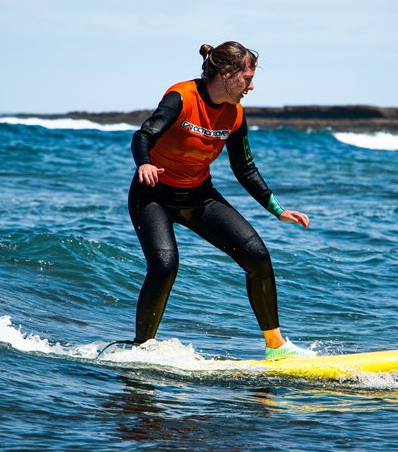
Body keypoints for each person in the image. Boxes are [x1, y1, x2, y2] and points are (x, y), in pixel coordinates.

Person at [128, 41, 315, 359]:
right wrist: (144, 162)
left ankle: (276, 347)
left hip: (199, 197)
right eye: (247, 77)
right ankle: (141, 348)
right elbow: (144, 134)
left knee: (257, 257)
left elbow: (244, 167)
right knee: (164, 265)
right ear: (226, 74)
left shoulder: (235, 114)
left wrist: (277, 210)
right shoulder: (182, 97)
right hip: (153, 196)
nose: (251, 86)